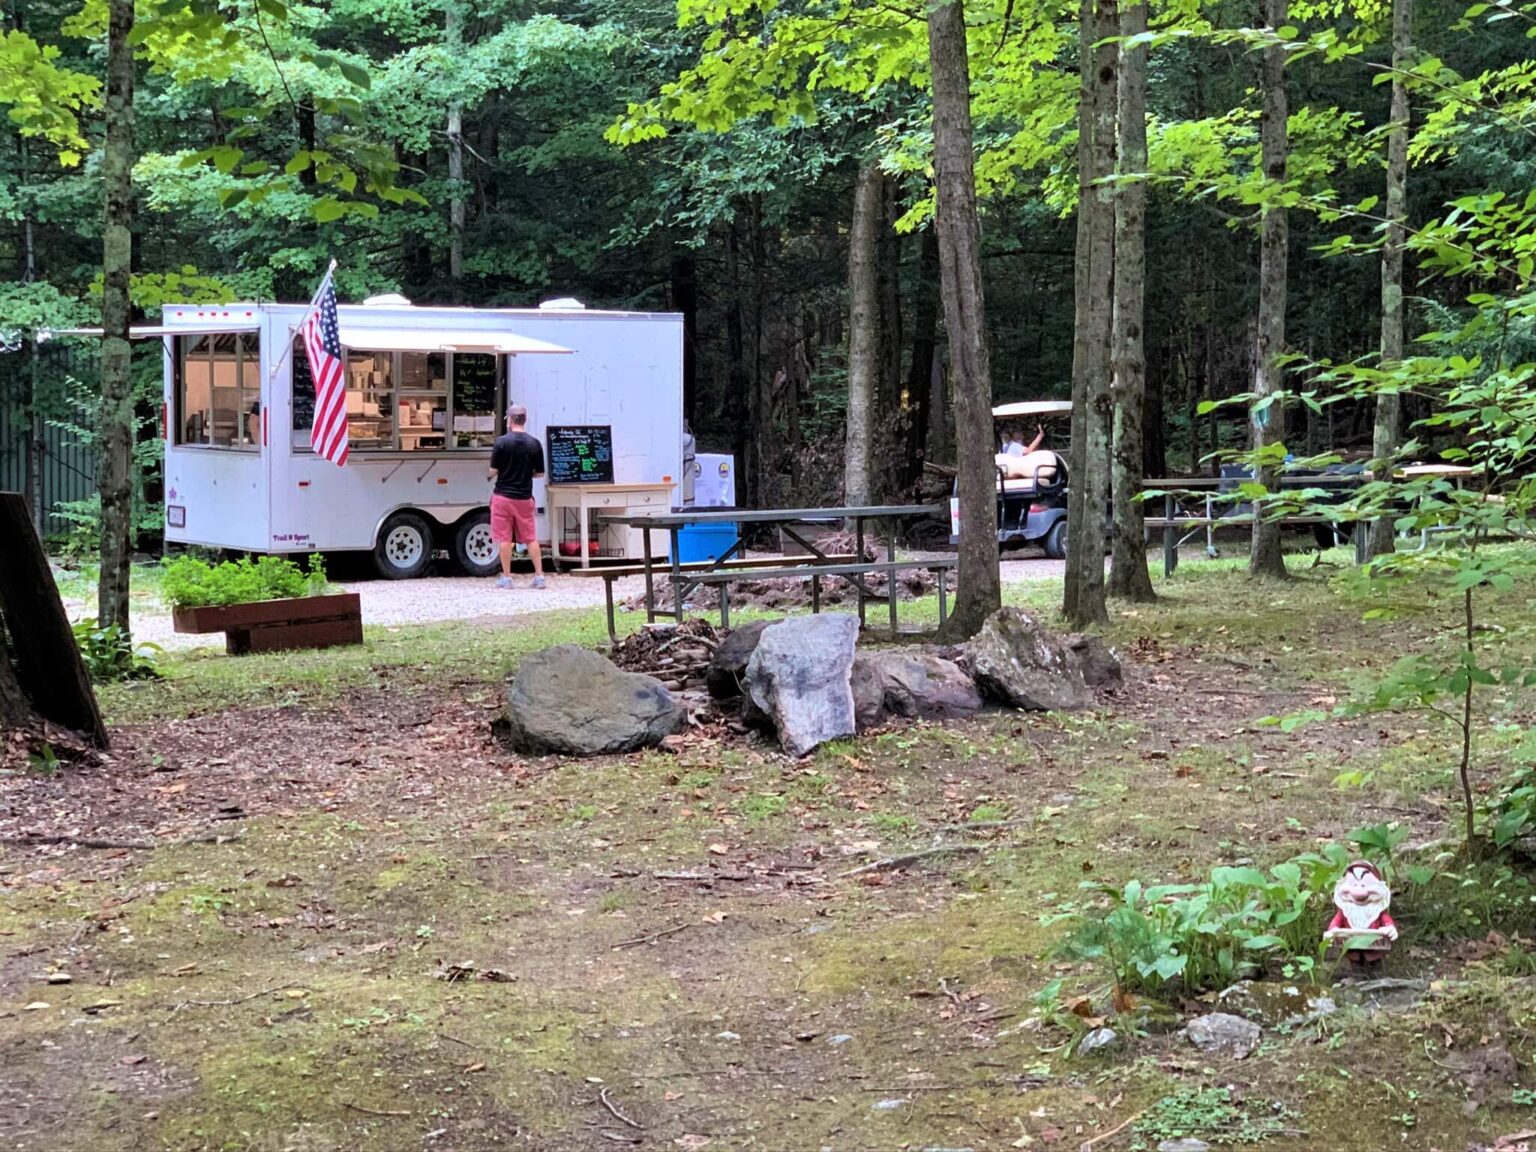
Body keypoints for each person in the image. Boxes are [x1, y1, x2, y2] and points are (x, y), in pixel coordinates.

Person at [487, 405, 546, 589]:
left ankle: (506, 577)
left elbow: (493, 470)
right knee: (530, 537)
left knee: (505, 538)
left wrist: (489, 474)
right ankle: (539, 576)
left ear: (510, 420)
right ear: (525, 420)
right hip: (524, 498)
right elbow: (540, 473)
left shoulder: (501, 443)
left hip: (503, 497)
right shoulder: (534, 444)